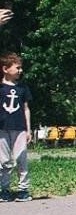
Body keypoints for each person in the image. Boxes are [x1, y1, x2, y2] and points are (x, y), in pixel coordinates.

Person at [0, 53, 30, 200]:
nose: (20, 70)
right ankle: (4, 190)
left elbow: (26, 109)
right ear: (5, 69)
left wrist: (28, 129)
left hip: (19, 128)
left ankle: (22, 189)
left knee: (21, 158)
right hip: (2, 128)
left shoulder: (22, 88)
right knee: (4, 160)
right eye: (17, 68)